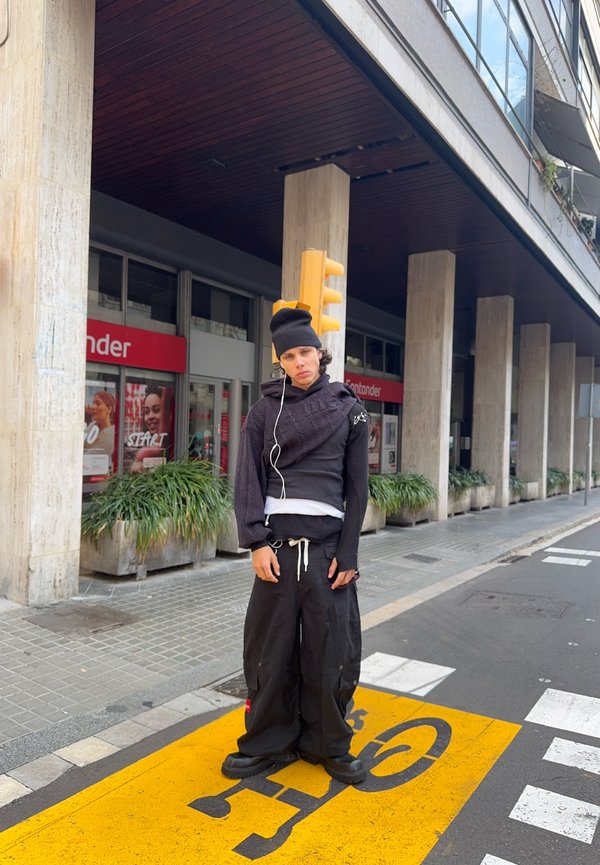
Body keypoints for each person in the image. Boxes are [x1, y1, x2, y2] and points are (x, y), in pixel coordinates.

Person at [222, 307, 369, 785]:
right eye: (289, 355)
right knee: (269, 654)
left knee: (332, 654)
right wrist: (255, 542)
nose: (299, 361)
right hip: (278, 555)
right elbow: (248, 477)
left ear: (320, 353)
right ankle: (269, 743)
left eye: (305, 351)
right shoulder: (265, 410)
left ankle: (326, 744)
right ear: (279, 361)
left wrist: (349, 554)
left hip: (328, 557)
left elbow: (358, 488)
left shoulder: (348, 407)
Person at [84, 390, 116, 467]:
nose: (94, 407)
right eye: (93, 403)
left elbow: (88, 459)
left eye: (98, 404)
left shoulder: (110, 435)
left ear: (109, 409)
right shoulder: (92, 425)